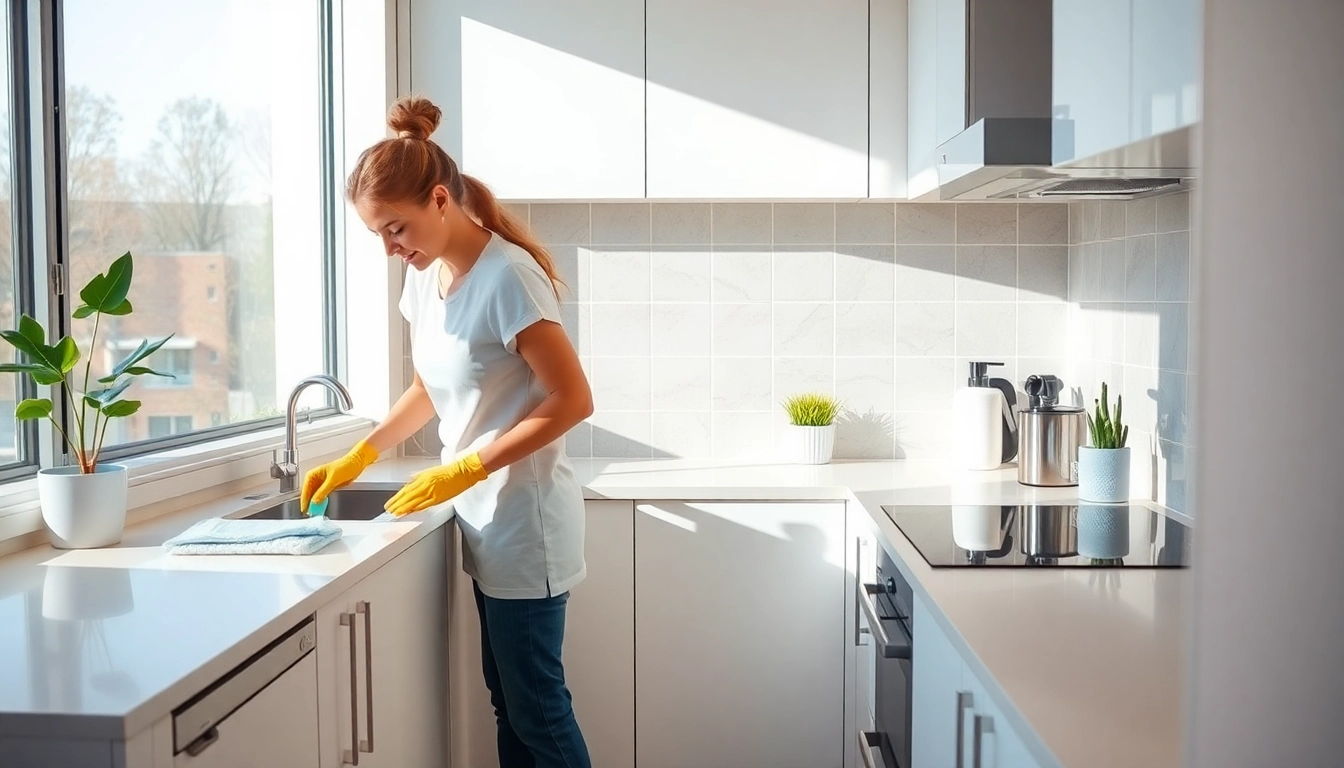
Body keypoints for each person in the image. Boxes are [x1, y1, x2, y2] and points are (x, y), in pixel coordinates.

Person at [301, 95, 594, 768]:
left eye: (395, 229)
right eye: (378, 234)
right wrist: (360, 452)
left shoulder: (509, 278)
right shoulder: (427, 279)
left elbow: (572, 398)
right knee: (508, 704)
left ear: (439, 199)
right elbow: (429, 386)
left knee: (539, 712)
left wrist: (467, 467)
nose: (389, 248)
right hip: (484, 520)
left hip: (526, 526)